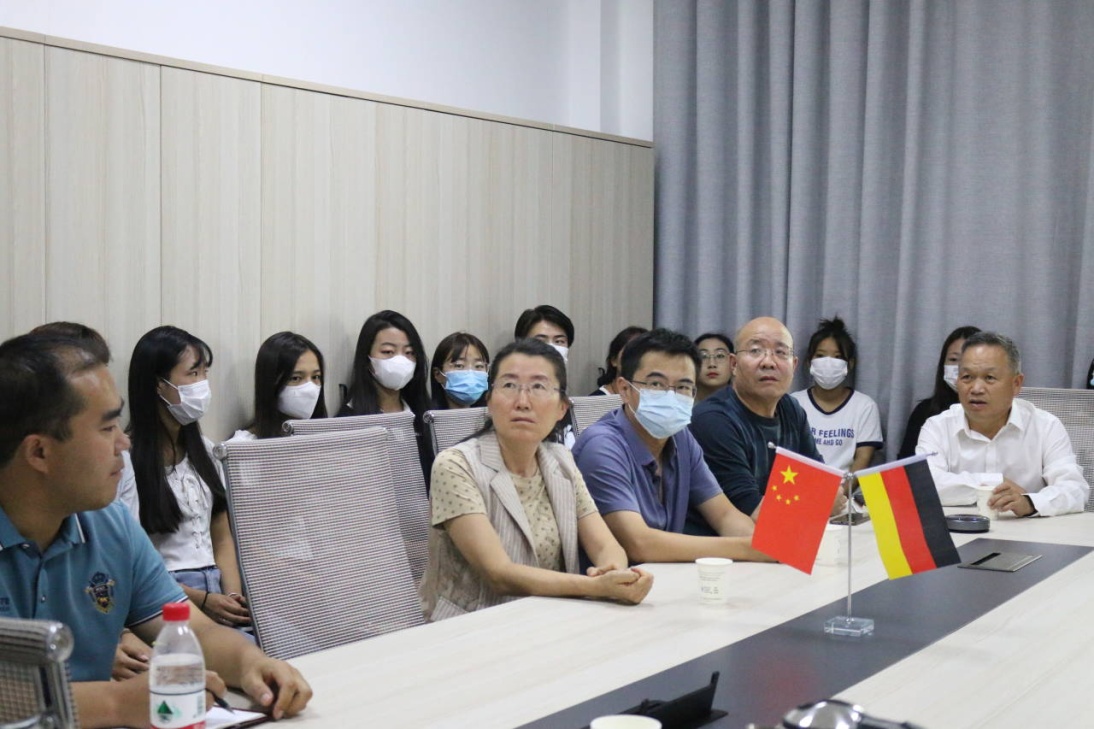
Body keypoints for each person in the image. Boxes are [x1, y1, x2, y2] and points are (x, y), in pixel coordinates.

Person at [0, 333, 311, 728]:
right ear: (39, 452)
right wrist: (115, 703)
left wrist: (253, 664)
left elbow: (194, 630)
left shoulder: (109, 525)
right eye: (106, 428)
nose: (123, 443)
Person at [418, 338, 652, 621]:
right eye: (509, 385)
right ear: (489, 400)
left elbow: (605, 545)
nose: (522, 402)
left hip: (550, 619)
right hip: (472, 626)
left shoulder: (561, 461)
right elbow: (499, 574)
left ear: (562, 408)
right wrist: (594, 587)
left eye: (539, 387)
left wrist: (614, 572)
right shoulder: (455, 465)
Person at [573, 329, 772, 563]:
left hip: (668, 577)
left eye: (683, 387)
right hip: (611, 582)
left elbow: (725, 516)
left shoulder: (681, 437)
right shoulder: (601, 446)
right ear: (625, 390)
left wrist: (768, 546)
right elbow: (640, 544)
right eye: (656, 384)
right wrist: (748, 548)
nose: (670, 396)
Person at [121, 326, 250, 632]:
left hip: (218, 587)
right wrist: (201, 600)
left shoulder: (205, 450)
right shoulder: (128, 460)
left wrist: (232, 596)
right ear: (159, 384)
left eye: (205, 373)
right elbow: (132, 560)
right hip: (167, 594)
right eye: (193, 374)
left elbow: (222, 535)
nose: (202, 384)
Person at [689, 317, 846, 525]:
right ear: (733, 364)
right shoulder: (713, 420)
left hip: (782, 536)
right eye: (755, 351)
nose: (768, 362)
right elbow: (754, 512)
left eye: (780, 352)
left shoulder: (791, 409)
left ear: (794, 365)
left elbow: (824, 483)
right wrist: (820, 504)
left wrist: (822, 498)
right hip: (723, 543)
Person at [917, 331, 1090, 517]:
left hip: (1029, 531)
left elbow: (1075, 489)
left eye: (989, 378)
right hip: (958, 530)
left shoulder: (1046, 426)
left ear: (1016, 384)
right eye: (967, 377)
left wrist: (1029, 502)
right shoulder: (937, 427)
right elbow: (923, 486)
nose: (976, 389)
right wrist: (994, 482)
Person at [789, 317, 882, 472]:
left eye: (838, 357)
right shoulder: (793, 403)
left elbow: (863, 458)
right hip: (801, 483)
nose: (828, 363)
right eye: (820, 355)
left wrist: (844, 487)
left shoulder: (865, 406)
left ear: (850, 364)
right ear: (809, 362)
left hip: (846, 485)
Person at [897, 325, 981, 458]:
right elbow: (908, 463)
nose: (960, 367)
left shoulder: (998, 412)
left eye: (970, 360)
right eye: (953, 360)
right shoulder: (925, 412)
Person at [231, 331, 328, 440]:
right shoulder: (244, 445)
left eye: (316, 377)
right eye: (295, 378)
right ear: (271, 382)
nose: (310, 389)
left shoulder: (329, 438)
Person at [514, 304, 577, 445]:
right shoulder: (515, 402)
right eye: (540, 341)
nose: (551, 348)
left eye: (559, 341)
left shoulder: (570, 404)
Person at [430, 331, 491, 410]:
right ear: (437, 374)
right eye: (459, 365)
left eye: (479, 366)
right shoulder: (426, 416)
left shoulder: (495, 416)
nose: (470, 374)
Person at [590, 326, 648, 396]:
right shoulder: (597, 400)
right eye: (630, 353)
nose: (638, 359)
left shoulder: (652, 396)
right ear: (614, 360)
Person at [694, 332, 733, 402]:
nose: (712, 364)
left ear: (733, 363)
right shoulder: (680, 405)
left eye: (720, 356)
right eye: (703, 356)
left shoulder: (746, 404)